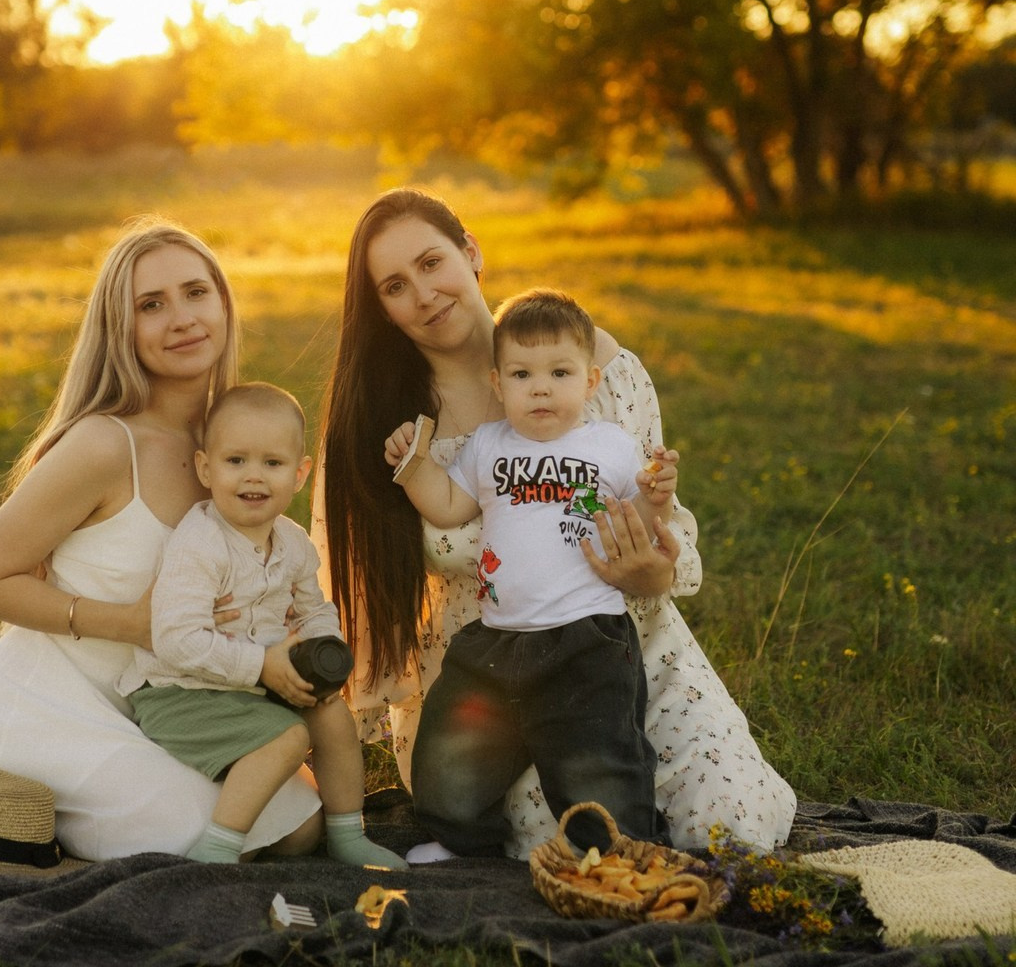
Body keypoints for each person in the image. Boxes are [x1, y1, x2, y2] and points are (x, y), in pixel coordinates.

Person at [313, 187, 796, 856]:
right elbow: (336, 586)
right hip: (486, 682)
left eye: (432, 263)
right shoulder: (393, 423)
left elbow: (666, 525)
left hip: (626, 645)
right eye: (395, 286)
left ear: (471, 249)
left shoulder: (591, 361)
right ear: (382, 310)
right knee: (562, 843)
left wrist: (654, 568)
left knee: (728, 828)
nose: (423, 294)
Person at [0, 219, 322, 862]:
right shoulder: (103, 444)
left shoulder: (233, 447)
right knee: (226, 839)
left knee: (300, 823)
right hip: (46, 708)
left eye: (196, 292)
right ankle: (4, 810)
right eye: (152, 304)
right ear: (123, 328)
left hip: (171, 707)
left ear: (223, 303)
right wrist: (135, 624)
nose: (182, 318)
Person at [384, 288, 674, 856]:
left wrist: (654, 497)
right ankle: (460, 841)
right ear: (498, 384)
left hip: (587, 639)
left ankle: (616, 854)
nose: (540, 387)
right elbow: (447, 505)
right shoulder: (489, 446)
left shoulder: (611, 447)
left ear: (590, 382)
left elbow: (633, 526)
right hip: (497, 638)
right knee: (451, 749)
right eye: (521, 374)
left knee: (599, 762)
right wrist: (413, 463)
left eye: (559, 372)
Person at [120, 382, 406, 868]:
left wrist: (323, 650)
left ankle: (347, 832)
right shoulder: (202, 543)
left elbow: (313, 609)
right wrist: (260, 666)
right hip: (179, 692)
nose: (254, 477)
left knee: (332, 714)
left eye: (272, 464)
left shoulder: (293, 543)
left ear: (298, 475)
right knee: (289, 737)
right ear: (205, 467)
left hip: (253, 683)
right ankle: (217, 850)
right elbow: (175, 640)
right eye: (236, 461)